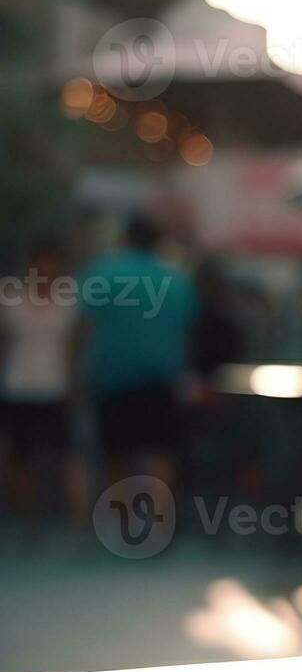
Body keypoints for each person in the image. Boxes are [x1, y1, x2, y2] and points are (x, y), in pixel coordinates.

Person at [74, 214, 197, 488]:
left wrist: (75, 374)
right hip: (162, 378)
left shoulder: (102, 274)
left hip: (112, 377)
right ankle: (160, 517)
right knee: (162, 452)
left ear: (126, 239)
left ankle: (120, 519)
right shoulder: (176, 281)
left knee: (115, 453)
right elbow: (187, 334)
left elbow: (83, 328)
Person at [0, 240, 80, 525]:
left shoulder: (68, 300)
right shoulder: (11, 298)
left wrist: (74, 383)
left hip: (55, 385)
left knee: (63, 452)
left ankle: (70, 515)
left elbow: (76, 345)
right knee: (20, 455)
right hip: (17, 385)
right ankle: (25, 514)